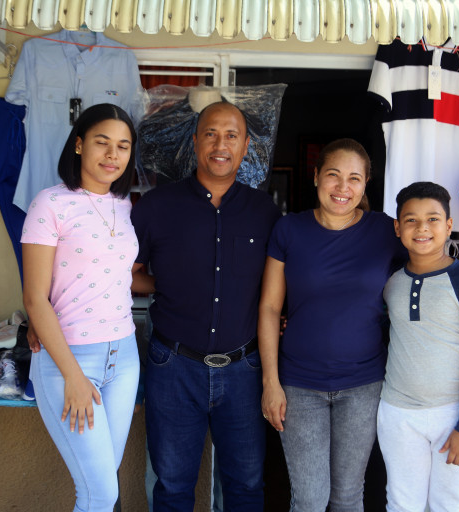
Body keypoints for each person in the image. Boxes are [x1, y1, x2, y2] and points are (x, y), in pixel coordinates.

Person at [258, 138, 459, 512]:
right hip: (299, 383)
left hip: (364, 384)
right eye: (333, 175)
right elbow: (269, 307)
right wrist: (270, 382)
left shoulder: (383, 230)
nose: (343, 187)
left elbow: (433, 260)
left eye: (354, 178)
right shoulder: (289, 229)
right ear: (316, 176)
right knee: (308, 499)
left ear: (366, 184)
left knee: (348, 496)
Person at [130, 100, 281, 511]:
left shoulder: (264, 212)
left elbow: (278, 287)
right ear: (195, 140)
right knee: (172, 486)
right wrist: (166, 286)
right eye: (211, 134)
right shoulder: (157, 206)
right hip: (173, 366)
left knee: (246, 486)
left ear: (246, 146)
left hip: (244, 370)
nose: (220, 145)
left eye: (231, 135)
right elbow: (124, 273)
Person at [21, 103, 140, 512]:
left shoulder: (124, 205)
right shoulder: (50, 203)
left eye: (123, 146)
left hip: (123, 357)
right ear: (78, 145)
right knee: (99, 494)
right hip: (69, 359)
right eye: (102, 142)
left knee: (104, 485)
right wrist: (72, 374)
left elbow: (116, 275)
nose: (112, 155)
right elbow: (35, 297)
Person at [378, 181, 459, 511]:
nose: (422, 228)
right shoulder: (389, 279)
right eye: (411, 220)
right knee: (402, 503)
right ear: (398, 228)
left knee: (448, 503)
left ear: (449, 225)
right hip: (398, 413)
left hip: (452, 413)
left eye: (433, 219)